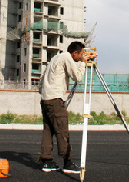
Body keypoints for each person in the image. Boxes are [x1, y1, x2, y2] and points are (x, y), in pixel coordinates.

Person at [39, 41, 88, 174]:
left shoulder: (55, 58)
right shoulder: (67, 57)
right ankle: (67, 162)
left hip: (45, 99)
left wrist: (43, 93)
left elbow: (42, 78)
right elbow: (77, 76)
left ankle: (47, 161)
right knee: (62, 131)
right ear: (75, 53)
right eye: (81, 54)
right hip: (55, 100)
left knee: (48, 130)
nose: (82, 57)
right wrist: (83, 63)